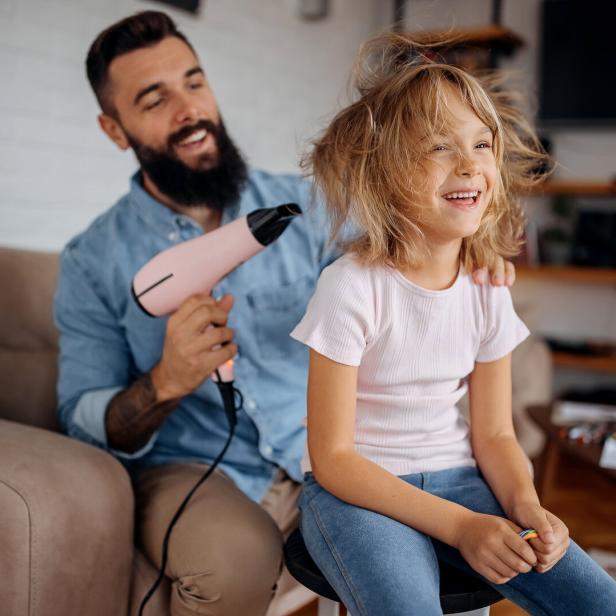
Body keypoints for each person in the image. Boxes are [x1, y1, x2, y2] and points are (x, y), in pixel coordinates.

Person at [55, 12, 518, 616]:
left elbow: (413, 242)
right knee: (234, 559)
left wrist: (476, 251)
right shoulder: (93, 260)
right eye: (154, 98)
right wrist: (166, 382)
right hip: (199, 467)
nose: (188, 109)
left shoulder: (307, 206)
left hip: (324, 453)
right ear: (114, 129)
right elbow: (82, 418)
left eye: (194, 83)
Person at [290, 32, 616, 616]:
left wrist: (526, 506)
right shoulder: (349, 287)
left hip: (460, 476)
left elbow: (494, 435)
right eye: (439, 147)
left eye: (481, 144)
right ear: (385, 173)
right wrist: (464, 526)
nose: (469, 164)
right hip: (355, 493)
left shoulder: (488, 288)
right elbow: (333, 456)